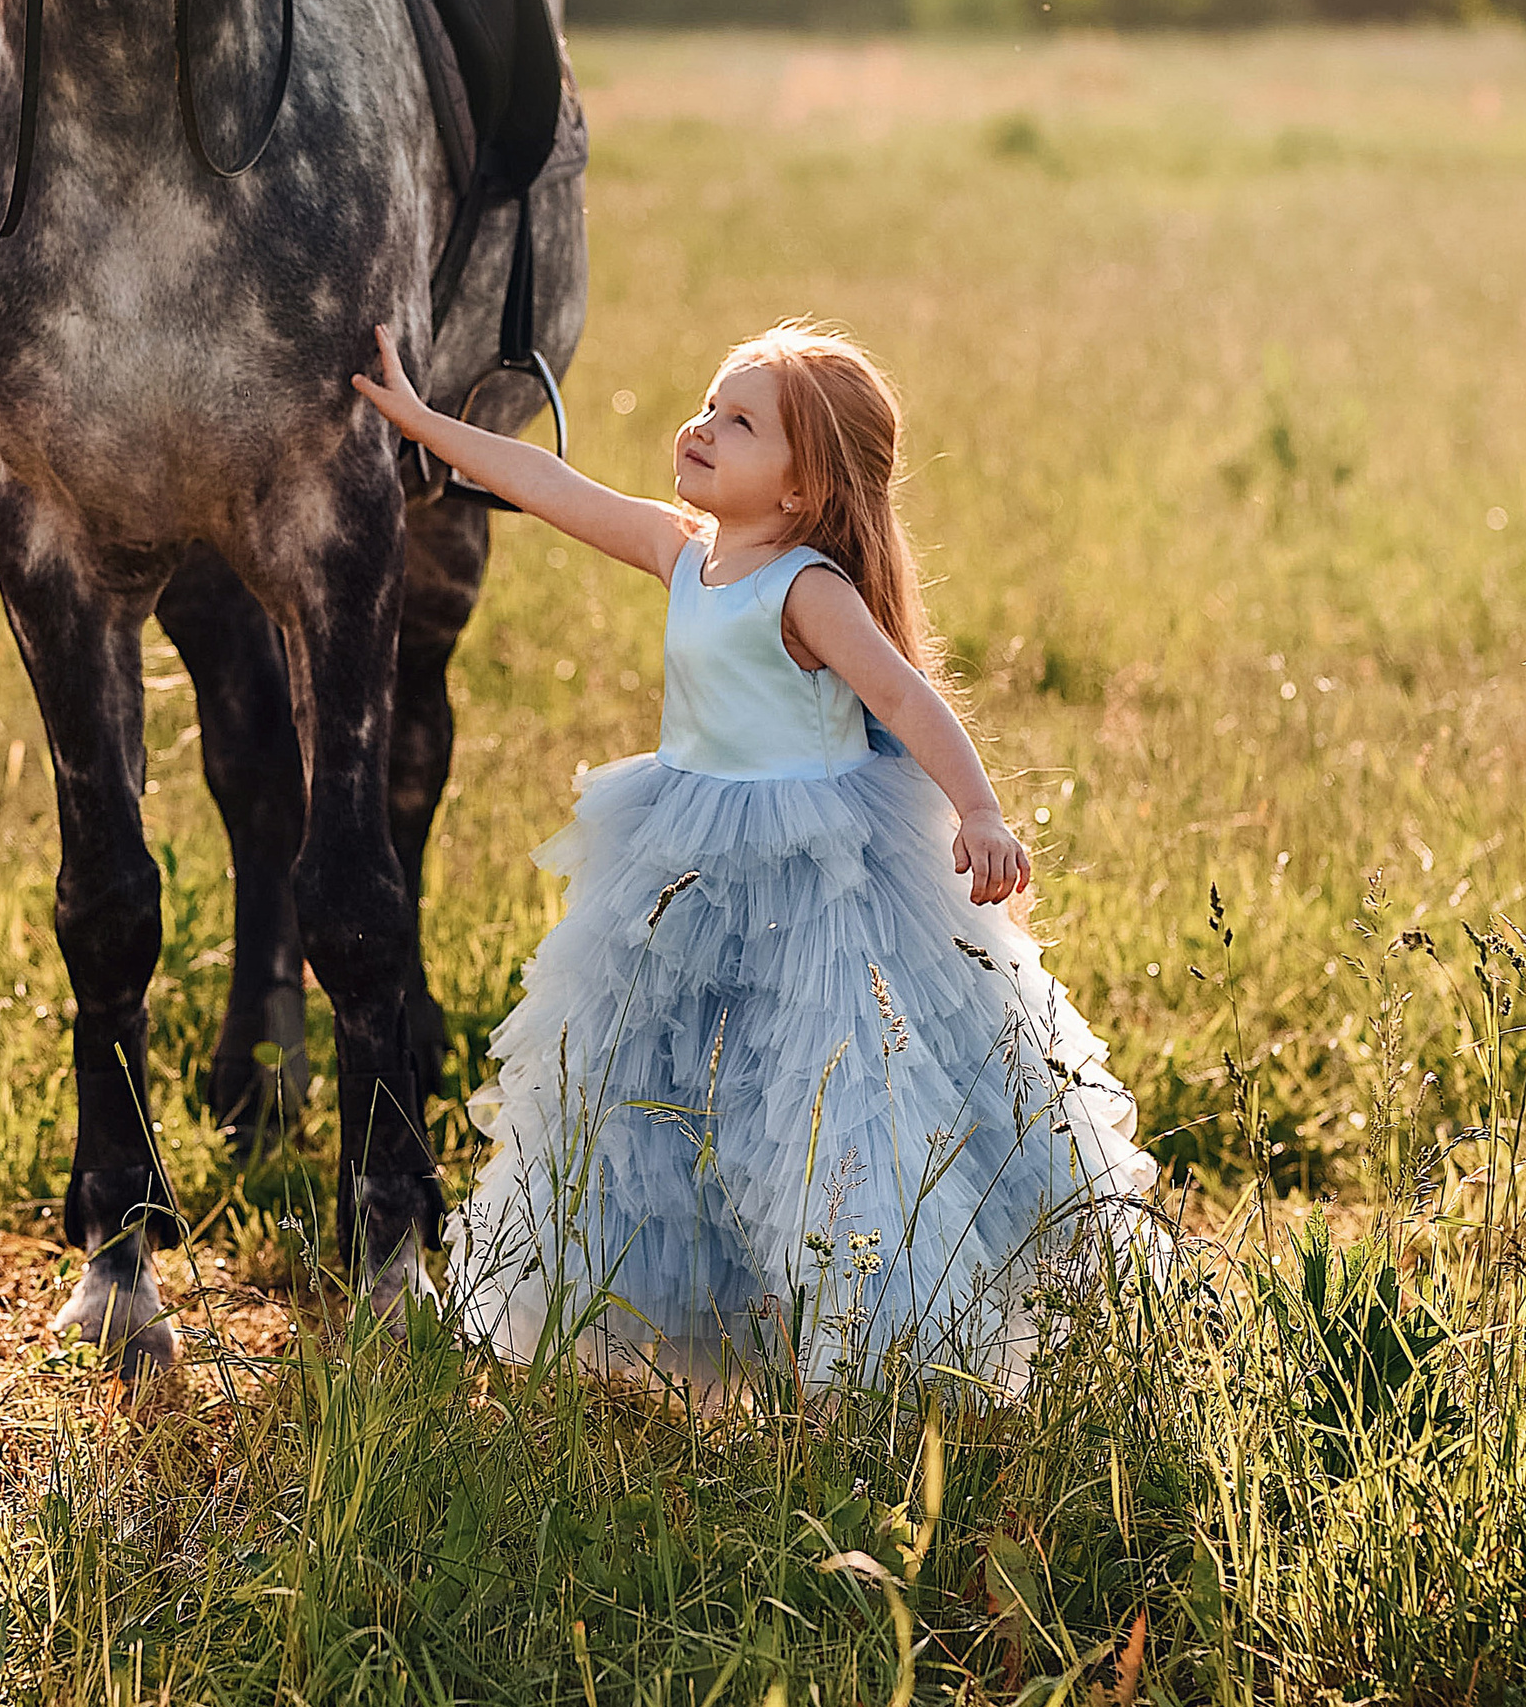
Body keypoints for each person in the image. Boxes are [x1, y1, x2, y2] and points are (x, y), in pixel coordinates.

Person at [353, 320, 1156, 1392]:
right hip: (681, 852)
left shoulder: (806, 588)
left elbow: (902, 696)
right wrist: (420, 421)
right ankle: (700, 1318)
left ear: (800, 490)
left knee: (828, 1094)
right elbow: (546, 482)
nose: (702, 427)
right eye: (708, 403)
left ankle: (868, 1340)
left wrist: (977, 810)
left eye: (740, 422)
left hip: (814, 874)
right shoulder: (681, 551)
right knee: (657, 1083)